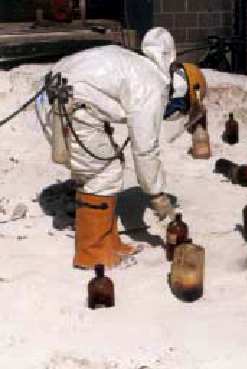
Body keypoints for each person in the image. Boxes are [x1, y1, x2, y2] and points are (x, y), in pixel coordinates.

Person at [39, 27, 190, 270]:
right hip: (67, 106)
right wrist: (157, 195)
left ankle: (108, 241)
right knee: (103, 174)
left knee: (104, 168)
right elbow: (145, 150)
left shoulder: (137, 65)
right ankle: (92, 253)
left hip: (57, 94)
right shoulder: (152, 86)